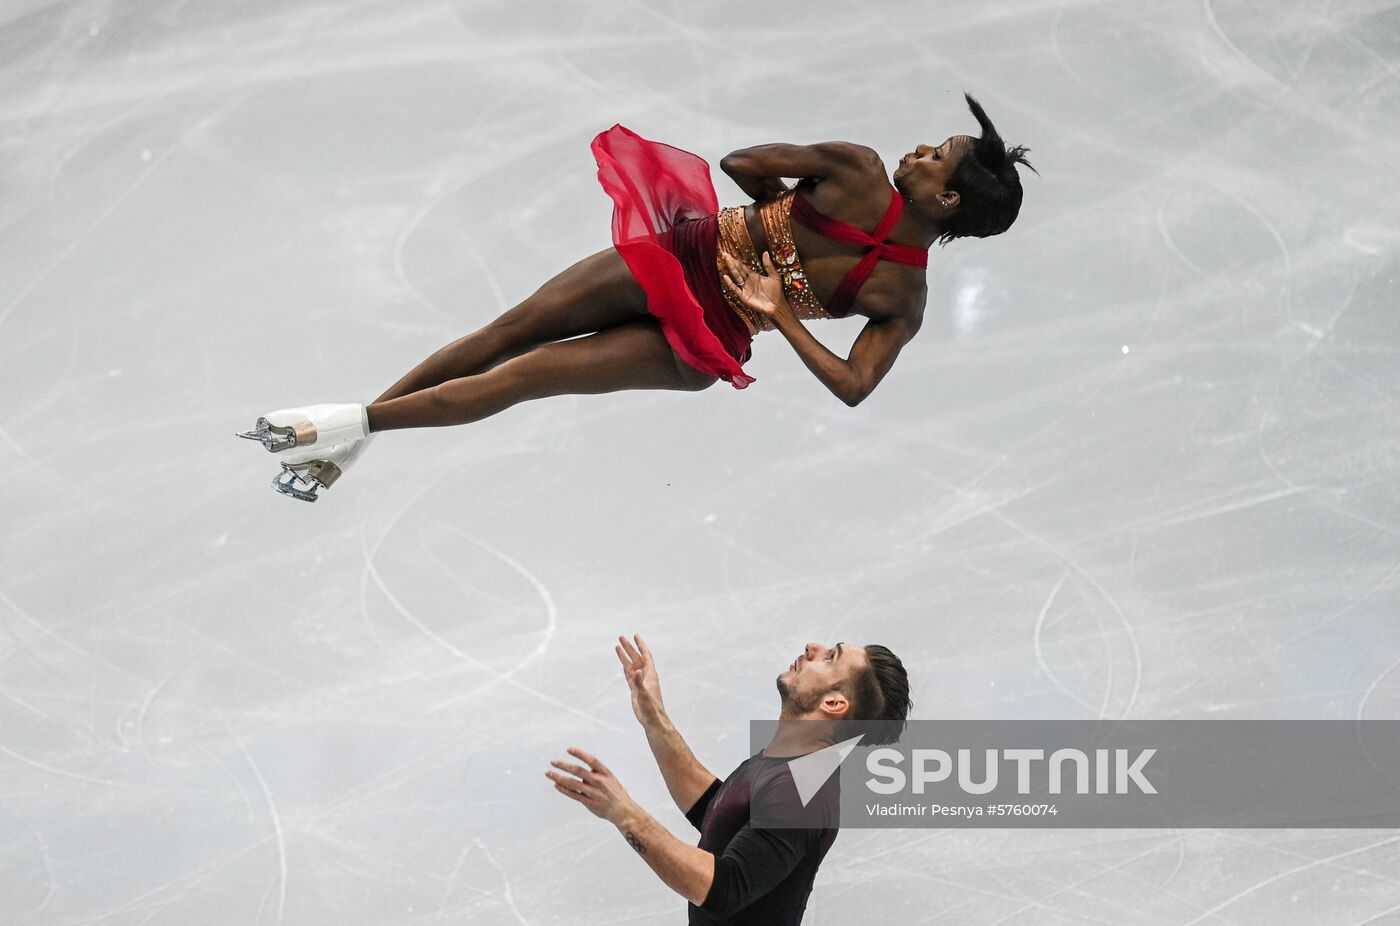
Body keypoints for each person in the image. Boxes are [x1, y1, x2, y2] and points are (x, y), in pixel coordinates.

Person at [238, 94, 1034, 499]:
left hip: (681, 274)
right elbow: (854, 385)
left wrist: (778, 225)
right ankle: (349, 435)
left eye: (939, 154)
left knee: (519, 353)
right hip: (698, 324)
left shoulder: (856, 171)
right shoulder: (905, 294)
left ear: (952, 199)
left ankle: (349, 431)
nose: (921, 149)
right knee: (522, 358)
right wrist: (783, 304)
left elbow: (743, 162)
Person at [545, 634, 912, 925]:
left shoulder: (804, 791)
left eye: (830, 657)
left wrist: (624, 813)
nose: (813, 647)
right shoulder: (794, 761)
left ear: (833, 704)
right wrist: (654, 719)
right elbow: (720, 811)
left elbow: (724, 888)